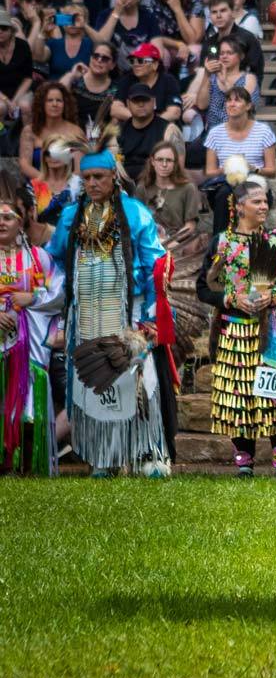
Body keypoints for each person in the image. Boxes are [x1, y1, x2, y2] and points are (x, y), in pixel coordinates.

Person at [46, 129, 177, 477]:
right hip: (85, 315)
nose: (92, 183)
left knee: (137, 383)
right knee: (92, 387)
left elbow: (156, 264)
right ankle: (104, 457)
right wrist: (59, 309)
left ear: (113, 177)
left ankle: (149, 454)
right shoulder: (70, 216)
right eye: (86, 177)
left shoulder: (134, 213)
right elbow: (55, 261)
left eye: (99, 177)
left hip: (127, 313)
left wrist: (151, 316)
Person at [196, 177, 276, 476]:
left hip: (270, 329)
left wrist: (274, 295)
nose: (264, 206)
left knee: (275, 393)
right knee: (239, 395)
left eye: (265, 201)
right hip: (235, 331)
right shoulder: (222, 243)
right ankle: (243, 462)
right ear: (239, 206)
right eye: (257, 201)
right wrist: (231, 299)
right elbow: (203, 289)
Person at [0, 171, 65, 476]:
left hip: (28, 348)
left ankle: (28, 464)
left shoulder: (39, 258)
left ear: (22, 220)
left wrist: (32, 299)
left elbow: (60, 294)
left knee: (28, 406)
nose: (2, 222)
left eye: (9, 216)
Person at [203, 86, 276, 234]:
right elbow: (210, 172)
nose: (231, 104)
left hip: (255, 182)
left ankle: (255, 243)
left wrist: (253, 168)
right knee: (225, 194)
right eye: (229, 100)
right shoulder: (215, 133)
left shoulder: (263, 131)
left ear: (248, 106)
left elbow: (272, 171)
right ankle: (221, 246)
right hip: (225, 183)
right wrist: (224, 169)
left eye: (237, 100)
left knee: (249, 193)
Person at [185, 35, 260, 151]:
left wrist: (225, 82)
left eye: (229, 53)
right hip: (212, 135)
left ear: (241, 56)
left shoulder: (249, 78)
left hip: (239, 135)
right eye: (221, 53)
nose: (224, 56)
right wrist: (206, 75)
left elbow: (244, 105)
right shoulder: (212, 78)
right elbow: (201, 105)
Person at [18, 81, 85, 181]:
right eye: (49, 100)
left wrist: (64, 187)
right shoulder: (29, 131)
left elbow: (80, 168)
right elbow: (24, 165)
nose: (55, 104)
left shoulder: (76, 132)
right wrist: (47, 181)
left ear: (65, 104)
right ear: (41, 104)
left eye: (59, 100)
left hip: (68, 187)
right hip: (38, 185)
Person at [135, 140, 201, 238]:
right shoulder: (143, 188)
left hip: (178, 241)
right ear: (153, 161)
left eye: (169, 160)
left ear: (175, 164)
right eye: (160, 159)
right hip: (150, 240)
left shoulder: (188, 188)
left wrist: (171, 241)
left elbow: (190, 226)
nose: (164, 164)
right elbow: (138, 222)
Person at [94, 0, 159, 73]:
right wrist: (116, 13)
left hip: (141, 68)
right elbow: (101, 42)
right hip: (111, 70)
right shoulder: (105, 14)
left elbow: (156, 47)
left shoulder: (148, 16)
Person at [149, 0, 205, 69]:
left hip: (188, 47)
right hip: (167, 46)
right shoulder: (157, 0)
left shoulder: (195, 1)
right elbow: (154, 35)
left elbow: (193, 40)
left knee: (195, 50)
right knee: (158, 51)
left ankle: (193, 83)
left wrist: (178, 10)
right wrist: (178, 44)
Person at [111, 43, 182, 124]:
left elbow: (174, 112)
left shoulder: (168, 80)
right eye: (132, 61)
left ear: (155, 64)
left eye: (140, 61)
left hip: (160, 127)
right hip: (135, 125)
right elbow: (115, 109)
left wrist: (151, 124)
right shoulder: (127, 79)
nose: (135, 64)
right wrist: (141, 120)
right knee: (115, 119)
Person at [199, 0, 265, 81]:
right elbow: (203, 71)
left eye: (223, 11)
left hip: (242, 89)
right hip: (213, 88)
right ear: (210, 17)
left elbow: (255, 72)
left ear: (233, 13)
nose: (218, 16)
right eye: (214, 12)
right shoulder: (209, 43)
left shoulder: (247, 39)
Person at [30, 132, 83, 236]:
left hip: (72, 240)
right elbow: (32, 223)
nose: (52, 157)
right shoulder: (33, 186)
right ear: (44, 157)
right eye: (48, 153)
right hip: (44, 243)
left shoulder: (79, 184)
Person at [60, 41, 116, 132]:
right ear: (90, 58)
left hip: (97, 139)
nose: (99, 60)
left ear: (112, 65)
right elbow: (57, 93)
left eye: (105, 58)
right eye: (96, 56)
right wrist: (71, 75)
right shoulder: (75, 80)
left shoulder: (115, 89)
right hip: (70, 133)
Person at [28, 2, 93, 80]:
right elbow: (38, 58)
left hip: (81, 90)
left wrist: (84, 25)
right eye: (68, 18)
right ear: (62, 20)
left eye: (76, 18)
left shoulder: (90, 43)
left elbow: (104, 42)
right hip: (55, 89)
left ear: (85, 20)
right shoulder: (54, 43)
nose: (72, 22)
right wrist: (43, 33)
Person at [0, 9, 34, 122]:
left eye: (4, 28)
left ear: (11, 30)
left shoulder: (22, 46)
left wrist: (15, 100)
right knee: (1, 107)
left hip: (20, 90)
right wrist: (6, 100)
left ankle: (28, 136)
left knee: (25, 106)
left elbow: (28, 77)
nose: (0, 31)